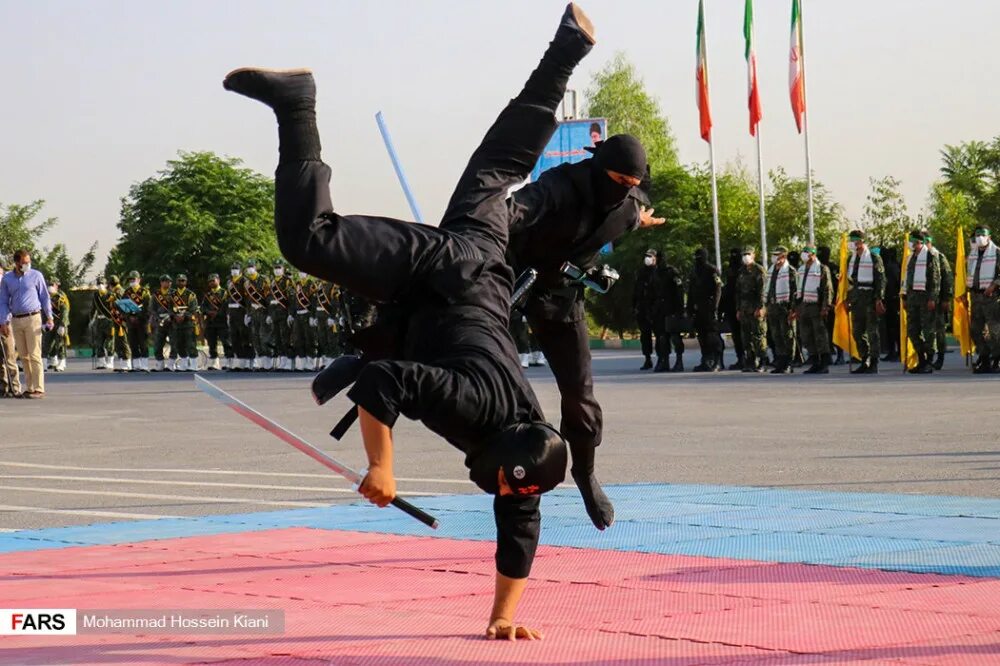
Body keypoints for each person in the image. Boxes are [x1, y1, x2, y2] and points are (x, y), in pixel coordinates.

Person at [225, 2, 598, 639]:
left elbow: (520, 531)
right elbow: (384, 386)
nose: (508, 500)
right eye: (511, 491)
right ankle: (297, 104)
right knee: (309, 242)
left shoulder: (527, 454)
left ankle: (567, 48)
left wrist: (503, 617)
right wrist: (383, 467)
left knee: (499, 162)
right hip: (443, 274)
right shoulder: (475, 411)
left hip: (477, 269)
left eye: (515, 495)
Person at [504, 101, 660, 529]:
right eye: (618, 180)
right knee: (494, 382)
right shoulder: (562, 184)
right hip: (509, 283)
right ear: (599, 169)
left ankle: (586, 473)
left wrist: (641, 217)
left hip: (562, 300)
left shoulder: (627, 208)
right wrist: (494, 218)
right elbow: (521, 207)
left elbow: (637, 203)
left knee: (581, 400)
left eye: (631, 184)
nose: (623, 189)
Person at [0, 249, 54, 398]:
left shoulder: (36, 275)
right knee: (23, 355)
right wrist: (3, 321)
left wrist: (49, 316)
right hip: (16, 319)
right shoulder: (7, 279)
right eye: (24, 262)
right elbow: (3, 301)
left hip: (33, 318)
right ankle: (29, 387)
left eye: (28, 262)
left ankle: (39, 388)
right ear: (16, 263)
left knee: (34, 354)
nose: (27, 265)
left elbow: (44, 297)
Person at [845, 230, 886, 374]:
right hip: (856, 299)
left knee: (872, 331)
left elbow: (880, 279)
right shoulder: (852, 258)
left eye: (853, 240)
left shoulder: (874, 257)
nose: (851, 243)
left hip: (869, 298)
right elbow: (849, 282)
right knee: (857, 332)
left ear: (860, 241)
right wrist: (847, 299)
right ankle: (864, 359)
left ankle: (874, 362)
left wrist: (879, 299)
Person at [901, 230, 940, 374]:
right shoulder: (911, 257)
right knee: (912, 330)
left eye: (912, 241)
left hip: (925, 298)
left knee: (928, 330)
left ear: (920, 242)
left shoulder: (930, 256)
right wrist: (904, 297)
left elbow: (935, 279)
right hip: (912, 299)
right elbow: (907, 279)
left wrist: (932, 298)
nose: (910, 243)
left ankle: (929, 361)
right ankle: (921, 359)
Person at [964, 226, 1000, 373]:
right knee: (975, 330)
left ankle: (997, 360)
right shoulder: (973, 254)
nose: (979, 237)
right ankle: (984, 359)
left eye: (982, 234)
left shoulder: (997, 252)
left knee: (995, 332)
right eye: (977, 234)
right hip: (976, 297)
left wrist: (994, 285)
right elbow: (969, 276)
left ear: (989, 237)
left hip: (992, 297)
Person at [792, 247, 833, 374]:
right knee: (807, 336)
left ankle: (824, 363)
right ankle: (814, 361)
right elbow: (797, 290)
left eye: (806, 253)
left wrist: (825, 307)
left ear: (813, 254)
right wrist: (796, 308)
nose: (804, 255)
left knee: (820, 335)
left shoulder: (822, 269)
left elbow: (828, 289)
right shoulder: (801, 269)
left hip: (816, 306)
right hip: (803, 306)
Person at [764, 246, 799, 374]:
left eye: (777, 255)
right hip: (773, 308)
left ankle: (789, 363)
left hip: (785, 308)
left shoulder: (790, 271)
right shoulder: (771, 270)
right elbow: (767, 289)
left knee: (787, 336)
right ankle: (780, 361)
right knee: (776, 336)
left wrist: (793, 309)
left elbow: (795, 292)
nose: (774, 257)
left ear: (783, 256)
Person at [686, 248, 721, 372]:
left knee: (712, 336)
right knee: (702, 337)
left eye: (699, 256)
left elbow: (718, 290)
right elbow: (690, 291)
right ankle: (705, 360)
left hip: (709, 308)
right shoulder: (694, 271)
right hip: (698, 309)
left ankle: (717, 361)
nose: (697, 259)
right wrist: (689, 309)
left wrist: (714, 307)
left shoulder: (712, 270)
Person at [736, 246, 767, 373]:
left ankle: (763, 361)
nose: (746, 256)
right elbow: (737, 292)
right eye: (744, 254)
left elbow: (762, 291)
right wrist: (738, 309)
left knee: (758, 336)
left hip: (755, 308)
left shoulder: (759, 270)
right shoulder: (741, 270)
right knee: (746, 337)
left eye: (748, 254)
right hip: (744, 309)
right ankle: (751, 361)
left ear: (754, 255)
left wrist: (760, 307)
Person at [925, 234, 952, 370]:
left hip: (939, 300)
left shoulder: (939, 257)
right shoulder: (918, 257)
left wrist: (946, 298)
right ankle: (927, 358)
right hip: (922, 300)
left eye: (926, 241)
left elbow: (947, 278)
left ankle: (940, 358)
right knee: (926, 330)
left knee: (939, 330)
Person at [655, 251, 686, 372]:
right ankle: (664, 361)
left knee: (675, 337)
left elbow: (679, 291)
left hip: (672, 309)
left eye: (661, 258)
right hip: (660, 310)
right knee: (662, 338)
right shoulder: (656, 273)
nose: (659, 260)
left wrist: (679, 310)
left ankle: (679, 361)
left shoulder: (672, 272)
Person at [633, 249, 660, 371]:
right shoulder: (641, 272)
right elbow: (635, 291)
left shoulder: (659, 272)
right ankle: (647, 359)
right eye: (646, 256)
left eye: (650, 257)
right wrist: (634, 307)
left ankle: (661, 359)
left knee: (660, 335)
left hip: (655, 309)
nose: (647, 259)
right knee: (645, 336)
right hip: (642, 309)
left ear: (655, 258)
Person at [243, 258, 272, 371]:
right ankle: (260, 363)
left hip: (263, 312)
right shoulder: (247, 283)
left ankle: (268, 363)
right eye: (248, 267)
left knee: (264, 337)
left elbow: (269, 297)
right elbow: (247, 300)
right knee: (255, 338)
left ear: (256, 268)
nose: (250, 269)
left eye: (252, 267)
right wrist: (247, 314)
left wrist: (270, 313)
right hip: (253, 312)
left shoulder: (264, 280)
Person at [0, 258, 23, 397]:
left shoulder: (7, 284)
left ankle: (15, 387)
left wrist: (5, 321)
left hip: (6, 324)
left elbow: (10, 304)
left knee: (9, 357)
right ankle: (3, 387)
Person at [719, 248, 744, 370]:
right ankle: (741, 358)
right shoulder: (729, 270)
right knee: (736, 335)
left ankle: (751, 358)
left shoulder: (745, 270)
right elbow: (727, 289)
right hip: (731, 306)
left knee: (746, 334)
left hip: (744, 306)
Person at [122, 270, 151, 372]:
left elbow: (148, 308)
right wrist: (129, 317)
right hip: (130, 322)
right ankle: (136, 365)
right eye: (130, 279)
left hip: (142, 322)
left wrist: (138, 317)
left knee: (143, 343)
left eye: (133, 279)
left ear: (139, 280)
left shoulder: (145, 292)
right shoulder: (126, 292)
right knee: (133, 343)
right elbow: (123, 307)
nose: (132, 281)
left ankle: (144, 365)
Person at [170, 273, 200, 371]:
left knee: (191, 344)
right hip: (177, 324)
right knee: (179, 344)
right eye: (179, 280)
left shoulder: (191, 294)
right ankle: (184, 364)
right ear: (176, 282)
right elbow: (169, 309)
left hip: (188, 324)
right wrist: (175, 316)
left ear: (186, 282)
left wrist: (183, 316)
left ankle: (194, 365)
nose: (181, 282)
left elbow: (193, 309)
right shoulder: (172, 295)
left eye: (183, 280)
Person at [202, 272, 231, 371]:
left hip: (222, 321)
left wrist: (217, 313)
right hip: (211, 322)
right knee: (211, 343)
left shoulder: (225, 293)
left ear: (218, 280)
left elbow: (227, 306)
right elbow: (202, 308)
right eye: (209, 281)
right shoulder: (207, 295)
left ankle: (228, 361)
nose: (211, 283)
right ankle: (215, 362)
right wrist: (208, 312)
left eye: (213, 280)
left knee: (226, 342)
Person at [290, 269, 318, 371]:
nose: (301, 274)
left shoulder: (311, 284)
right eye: (299, 272)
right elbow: (293, 301)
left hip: (307, 315)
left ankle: (310, 363)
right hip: (298, 315)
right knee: (298, 339)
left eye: (303, 272)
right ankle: (302, 362)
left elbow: (314, 302)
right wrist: (291, 314)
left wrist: (312, 316)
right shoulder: (297, 285)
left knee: (309, 339)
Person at [44, 278, 71, 373]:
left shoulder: (61, 296)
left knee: (60, 343)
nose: (50, 286)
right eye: (49, 284)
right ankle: (47, 362)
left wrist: (63, 325)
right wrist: (43, 323)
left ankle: (62, 362)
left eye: (52, 284)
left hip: (60, 323)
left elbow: (65, 311)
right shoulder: (45, 295)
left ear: (57, 285)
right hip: (50, 322)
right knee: (47, 342)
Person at [90, 276, 115, 370]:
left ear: (106, 284)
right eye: (98, 284)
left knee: (110, 342)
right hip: (99, 321)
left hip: (109, 321)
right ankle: (101, 362)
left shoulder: (110, 295)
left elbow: (113, 309)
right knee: (99, 342)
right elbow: (93, 309)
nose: (100, 285)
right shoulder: (95, 296)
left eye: (102, 283)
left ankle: (110, 362)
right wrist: (91, 320)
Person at [150, 274, 174, 371]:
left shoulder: (174, 294)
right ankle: (160, 364)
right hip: (159, 322)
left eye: (168, 281)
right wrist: (157, 318)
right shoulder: (156, 295)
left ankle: (172, 364)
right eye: (164, 281)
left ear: (170, 283)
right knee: (158, 343)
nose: (166, 283)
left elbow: (177, 307)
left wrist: (171, 316)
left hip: (171, 322)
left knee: (174, 342)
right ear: (161, 283)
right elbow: (152, 309)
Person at [314, 281, 340, 369]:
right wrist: (315, 316)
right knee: (322, 338)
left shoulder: (333, 285)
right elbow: (316, 302)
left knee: (331, 338)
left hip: (328, 316)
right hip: (319, 316)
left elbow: (335, 302)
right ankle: (326, 360)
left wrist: (332, 316)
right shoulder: (319, 284)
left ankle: (332, 360)